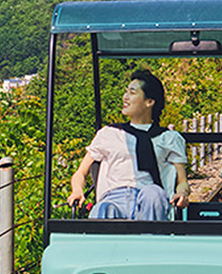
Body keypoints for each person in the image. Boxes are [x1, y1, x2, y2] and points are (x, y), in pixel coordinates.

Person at [66, 69, 190, 219]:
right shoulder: (109, 133)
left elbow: (182, 181)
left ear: (149, 102)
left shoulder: (168, 138)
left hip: (149, 196)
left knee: (154, 194)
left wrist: (182, 193)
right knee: (103, 208)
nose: (125, 97)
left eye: (132, 92)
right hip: (114, 197)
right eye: (126, 92)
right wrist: (77, 190)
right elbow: (81, 172)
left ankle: (150, 239)